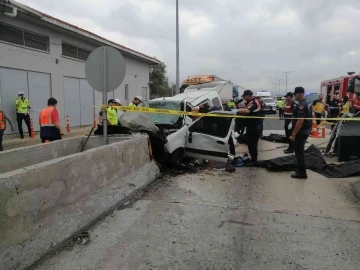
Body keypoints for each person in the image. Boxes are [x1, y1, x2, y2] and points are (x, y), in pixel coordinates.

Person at [289, 87, 312, 179]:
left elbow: (300, 120)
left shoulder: (301, 105)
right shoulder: (308, 103)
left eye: (295, 95)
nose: (294, 96)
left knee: (299, 151)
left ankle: (301, 172)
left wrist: (293, 133)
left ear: (299, 94)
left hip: (301, 131)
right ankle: (299, 169)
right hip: (306, 129)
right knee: (299, 151)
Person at [237, 90, 262, 166]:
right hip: (251, 126)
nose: (244, 98)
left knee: (252, 144)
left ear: (248, 95)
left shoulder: (253, 102)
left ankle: (254, 160)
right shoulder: (250, 102)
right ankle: (253, 159)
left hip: (254, 126)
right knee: (250, 143)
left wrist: (236, 110)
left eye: (244, 96)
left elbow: (247, 111)